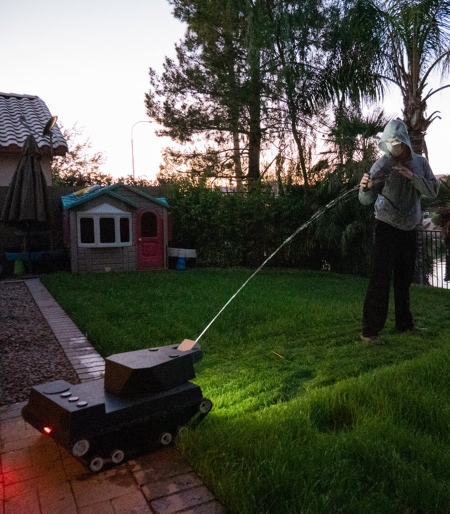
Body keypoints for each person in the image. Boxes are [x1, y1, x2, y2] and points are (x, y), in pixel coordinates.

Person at [358, 118, 439, 344]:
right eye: (389, 142)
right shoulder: (381, 166)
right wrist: (364, 188)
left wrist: (412, 177)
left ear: (404, 142)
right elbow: (365, 199)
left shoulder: (420, 164)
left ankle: (404, 324)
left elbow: (433, 190)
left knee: (404, 280)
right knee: (380, 279)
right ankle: (370, 331)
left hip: (409, 228)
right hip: (385, 226)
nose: (393, 147)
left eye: (396, 142)